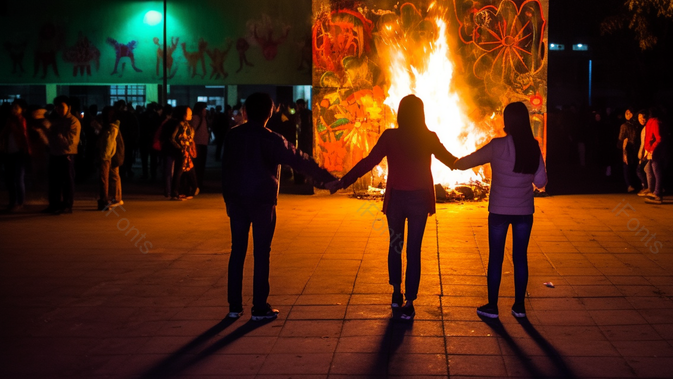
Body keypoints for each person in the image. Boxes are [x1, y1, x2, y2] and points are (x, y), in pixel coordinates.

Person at [332, 94, 458, 321]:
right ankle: (409, 302)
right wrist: (485, 158)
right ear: (421, 114)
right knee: (414, 250)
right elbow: (451, 161)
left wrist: (344, 181)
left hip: (396, 201)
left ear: (400, 114)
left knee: (395, 246)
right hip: (419, 200)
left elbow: (368, 162)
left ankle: (396, 293)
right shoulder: (429, 137)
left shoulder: (390, 136)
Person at [222, 92, 337, 321]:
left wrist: (228, 199)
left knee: (237, 250)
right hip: (263, 202)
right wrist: (327, 179)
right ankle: (259, 307)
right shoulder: (272, 139)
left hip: (237, 200)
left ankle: (234, 306)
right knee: (261, 252)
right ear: (270, 113)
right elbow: (299, 159)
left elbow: (226, 169)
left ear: (245, 112)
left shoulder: (233, 136)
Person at [451, 102, 547, 319]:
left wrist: (453, 162)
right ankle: (519, 307)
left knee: (496, 257)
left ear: (507, 121)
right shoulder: (533, 147)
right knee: (520, 258)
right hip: (524, 212)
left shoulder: (497, 145)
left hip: (499, 212)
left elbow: (468, 162)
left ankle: (492, 307)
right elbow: (541, 182)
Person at [43, 96, 81, 214]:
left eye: (61, 107)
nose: (58, 109)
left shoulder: (73, 121)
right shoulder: (57, 120)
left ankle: (67, 205)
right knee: (54, 181)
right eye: (57, 107)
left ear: (69, 107)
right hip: (55, 153)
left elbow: (70, 142)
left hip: (67, 155)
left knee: (67, 181)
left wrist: (55, 134)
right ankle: (54, 204)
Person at [1, 99, 31, 212]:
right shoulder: (9, 120)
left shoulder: (21, 120)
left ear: (22, 110)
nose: (13, 110)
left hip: (19, 152)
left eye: (16, 108)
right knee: (9, 179)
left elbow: (23, 135)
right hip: (8, 152)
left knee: (18, 178)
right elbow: (3, 134)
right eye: (13, 107)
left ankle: (19, 202)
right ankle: (12, 202)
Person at [96, 106, 124, 211]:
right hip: (113, 155)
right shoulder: (114, 126)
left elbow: (108, 143)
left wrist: (104, 156)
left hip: (108, 156)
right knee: (113, 176)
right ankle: (115, 198)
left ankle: (109, 200)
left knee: (106, 178)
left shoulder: (111, 127)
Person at [168, 106, 194, 200]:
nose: (191, 114)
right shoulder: (180, 125)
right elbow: (172, 138)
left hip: (186, 152)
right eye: (188, 113)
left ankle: (183, 191)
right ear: (183, 114)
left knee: (184, 172)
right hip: (182, 152)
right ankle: (176, 193)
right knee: (179, 172)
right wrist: (180, 148)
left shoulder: (187, 125)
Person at [642, 107, 666, 204]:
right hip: (653, 151)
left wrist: (650, 149)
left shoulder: (653, 122)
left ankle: (657, 193)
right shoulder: (655, 122)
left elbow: (658, 138)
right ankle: (655, 191)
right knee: (652, 170)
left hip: (654, 151)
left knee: (656, 171)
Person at [618, 109, 639, 192]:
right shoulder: (624, 126)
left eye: (629, 113)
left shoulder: (637, 125)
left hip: (636, 147)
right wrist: (622, 147)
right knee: (627, 166)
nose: (627, 115)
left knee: (635, 166)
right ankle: (629, 185)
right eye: (626, 113)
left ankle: (637, 184)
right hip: (628, 148)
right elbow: (621, 138)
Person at [190, 102, 210, 189]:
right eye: (204, 109)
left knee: (201, 165)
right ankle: (196, 184)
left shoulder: (203, 118)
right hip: (197, 144)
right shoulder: (196, 118)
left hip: (202, 144)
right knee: (198, 165)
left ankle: (199, 183)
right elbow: (192, 130)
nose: (205, 111)